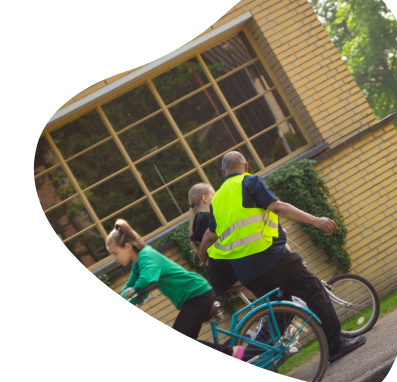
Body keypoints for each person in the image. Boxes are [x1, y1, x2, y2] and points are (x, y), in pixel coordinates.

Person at [198, 151, 366, 363]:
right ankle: (335, 346)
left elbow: (208, 236)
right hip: (272, 258)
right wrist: (315, 220)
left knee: (280, 311)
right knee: (314, 291)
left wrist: (203, 259)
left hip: (248, 273)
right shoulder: (250, 182)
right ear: (246, 166)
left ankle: (244, 356)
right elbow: (278, 207)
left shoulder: (217, 200)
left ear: (224, 172)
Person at [106, 219, 245, 360]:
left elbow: (146, 279)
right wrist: (129, 293)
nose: (114, 258)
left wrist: (134, 290)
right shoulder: (137, 263)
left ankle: (231, 352)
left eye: (115, 253)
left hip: (197, 295)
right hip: (193, 298)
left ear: (127, 246)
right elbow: (130, 285)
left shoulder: (146, 255)